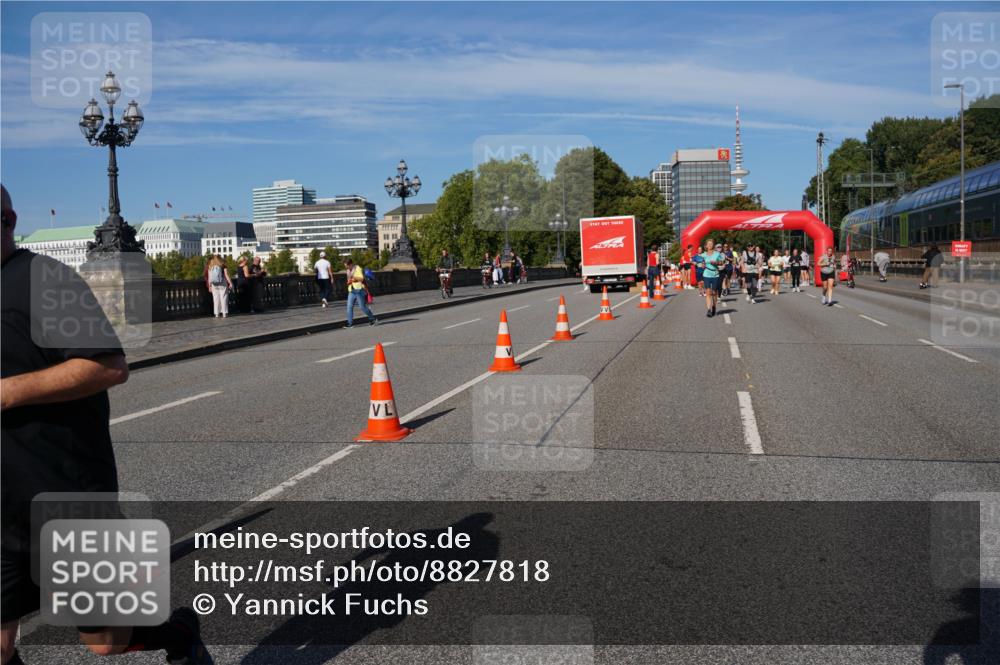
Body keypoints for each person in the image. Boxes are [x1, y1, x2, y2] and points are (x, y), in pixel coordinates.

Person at [0, 185, 213, 664]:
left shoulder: (45, 281)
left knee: (105, 643)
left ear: (8, 221)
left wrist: (7, 391)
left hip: (63, 495)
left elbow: (109, 366)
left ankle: (179, 634)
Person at [344, 257, 377, 327]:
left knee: (362, 307)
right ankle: (349, 323)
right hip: (351, 290)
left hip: (359, 290)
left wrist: (354, 278)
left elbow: (361, 278)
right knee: (349, 307)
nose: (346, 268)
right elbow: (350, 279)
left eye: (347, 266)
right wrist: (349, 282)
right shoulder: (348, 270)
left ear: (350, 264)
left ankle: (372, 319)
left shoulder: (357, 268)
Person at [699, 239, 724, 317]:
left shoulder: (717, 254)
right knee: (708, 292)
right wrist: (702, 265)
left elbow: (722, 262)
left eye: (711, 244)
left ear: (713, 245)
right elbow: (701, 263)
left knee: (714, 292)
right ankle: (709, 309)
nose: (710, 245)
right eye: (708, 244)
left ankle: (714, 306)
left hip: (715, 274)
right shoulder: (703, 255)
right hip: (706, 274)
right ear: (706, 246)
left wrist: (716, 262)